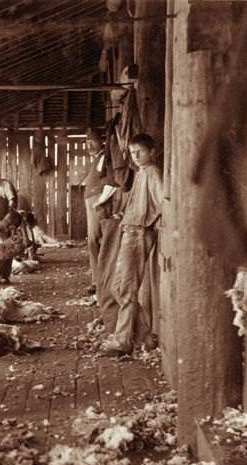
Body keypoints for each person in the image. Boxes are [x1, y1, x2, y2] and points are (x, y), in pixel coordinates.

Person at [101, 133, 162, 355]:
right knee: (117, 287)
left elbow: (163, 201)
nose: (135, 156)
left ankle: (122, 340)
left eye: (140, 152)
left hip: (139, 233)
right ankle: (145, 336)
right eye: (133, 152)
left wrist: (152, 222)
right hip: (130, 230)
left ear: (152, 152)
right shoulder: (141, 173)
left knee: (125, 288)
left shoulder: (153, 172)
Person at [80, 129, 105, 289]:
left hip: (98, 200)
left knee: (95, 239)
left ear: (101, 141)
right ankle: (97, 276)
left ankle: (99, 281)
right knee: (92, 240)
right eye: (87, 142)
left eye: (93, 141)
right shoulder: (97, 159)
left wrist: (100, 200)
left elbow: (110, 181)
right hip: (92, 199)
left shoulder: (104, 157)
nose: (89, 145)